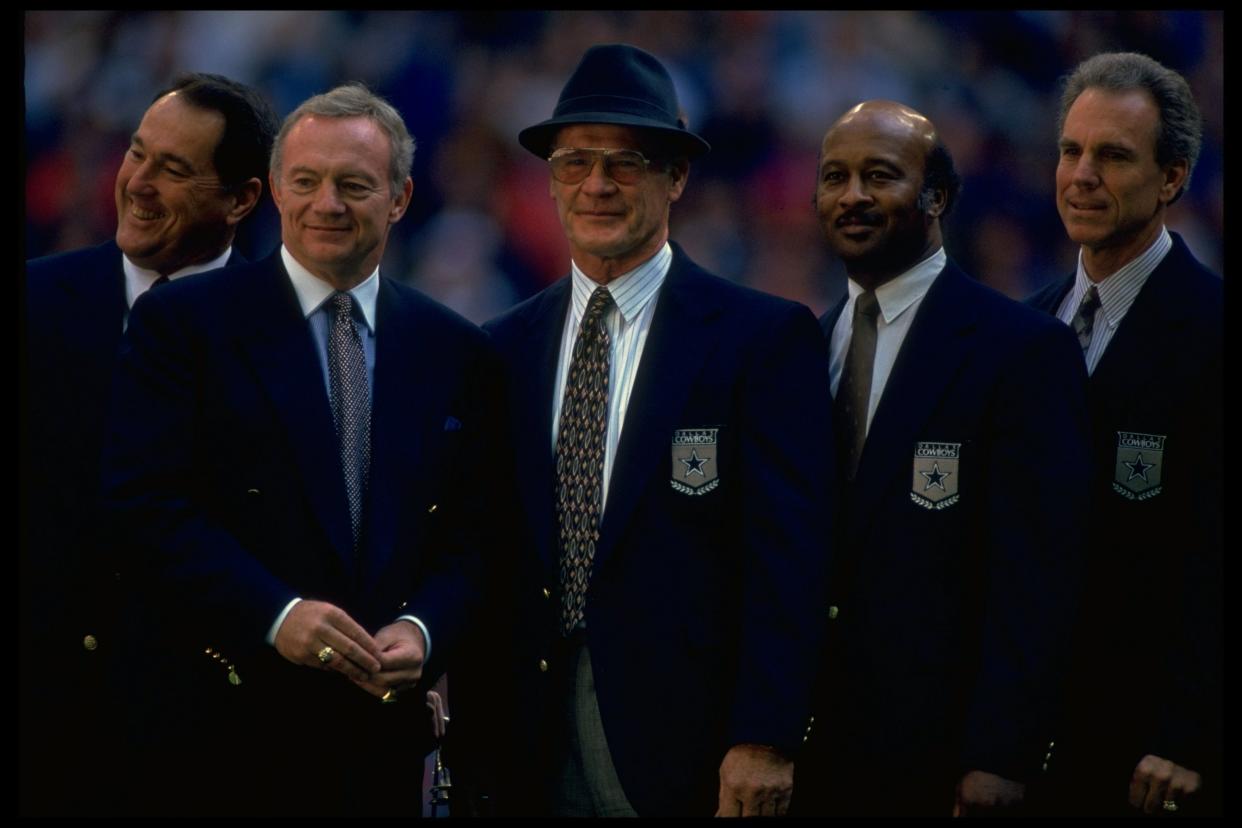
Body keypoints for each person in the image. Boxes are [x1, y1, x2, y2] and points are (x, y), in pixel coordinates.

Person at [452, 43, 834, 818]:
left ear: (677, 177)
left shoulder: (761, 339)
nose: (596, 184)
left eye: (627, 162)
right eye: (575, 162)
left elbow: (789, 559)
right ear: (551, 181)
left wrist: (766, 736)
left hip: (689, 746)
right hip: (521, 736)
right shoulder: (500, 346)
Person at [100, 82, 502, 816]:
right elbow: (145, 505)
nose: (328, 205)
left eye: (354, 185)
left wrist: (425, 629)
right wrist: (277, 613)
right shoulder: (184, 326)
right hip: (215, 732)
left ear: (401, 197)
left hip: (377, 747)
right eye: (307, 182)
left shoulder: (455, 349)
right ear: (276, 192)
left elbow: (476, 536)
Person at [793, 100, 1092, 816]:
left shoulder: (1018, 350)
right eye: (835, 177)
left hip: (944, 763)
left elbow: (1038, 580)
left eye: (880, 175)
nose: (854, 195)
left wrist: (999, 755)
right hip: (817, 756)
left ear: (938, 197)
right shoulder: (798, 349)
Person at [21, 72, 278, 816]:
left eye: (174, 169)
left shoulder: (283, 338)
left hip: (203, 743)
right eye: (138, 154)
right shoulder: (36, 304)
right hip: (43, 729)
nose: (137, 183)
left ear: (242, 200)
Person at [1027, 51, 1222, 817]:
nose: (1081, 175)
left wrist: (1190, 733)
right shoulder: (1029, 322)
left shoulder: (1212, 333)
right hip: (1031, 745)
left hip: (1152, 759)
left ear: (1171, 179)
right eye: (1071, 151)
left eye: (1112, 155)